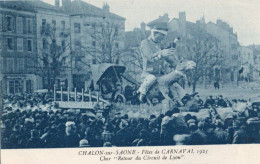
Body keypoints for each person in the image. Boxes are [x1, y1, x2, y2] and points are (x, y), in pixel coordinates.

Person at [137, 15, 177, 101]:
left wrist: (175, 63)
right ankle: (141, 92)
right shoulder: (145, 43)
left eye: (163, 37)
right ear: (154, 33)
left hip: (160, 74)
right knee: (151, 78)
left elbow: (167, 57)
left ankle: (184, 98)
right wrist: (162, 53)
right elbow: (150, 57)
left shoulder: (159, 45)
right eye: (160, 36)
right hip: (148, 74)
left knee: (172, 81)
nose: (161, 39)